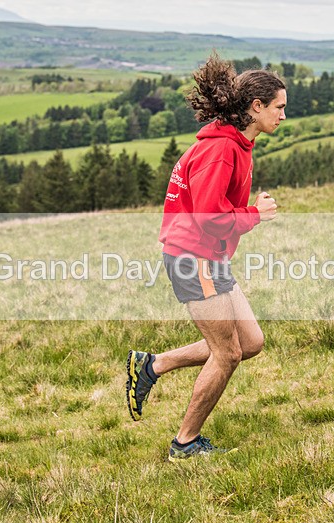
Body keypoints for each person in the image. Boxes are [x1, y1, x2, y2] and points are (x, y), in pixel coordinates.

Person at [125, 53, 287, 461]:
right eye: (279, 107)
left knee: (250, 342)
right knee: (227, 353)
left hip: (209, 257)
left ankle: (152, 366)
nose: (284, 115)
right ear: (256, 107)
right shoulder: (221, 151)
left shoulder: (236, 143)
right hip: (193, 256)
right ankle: (185, 443)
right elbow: (209, 216)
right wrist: (255, 214)